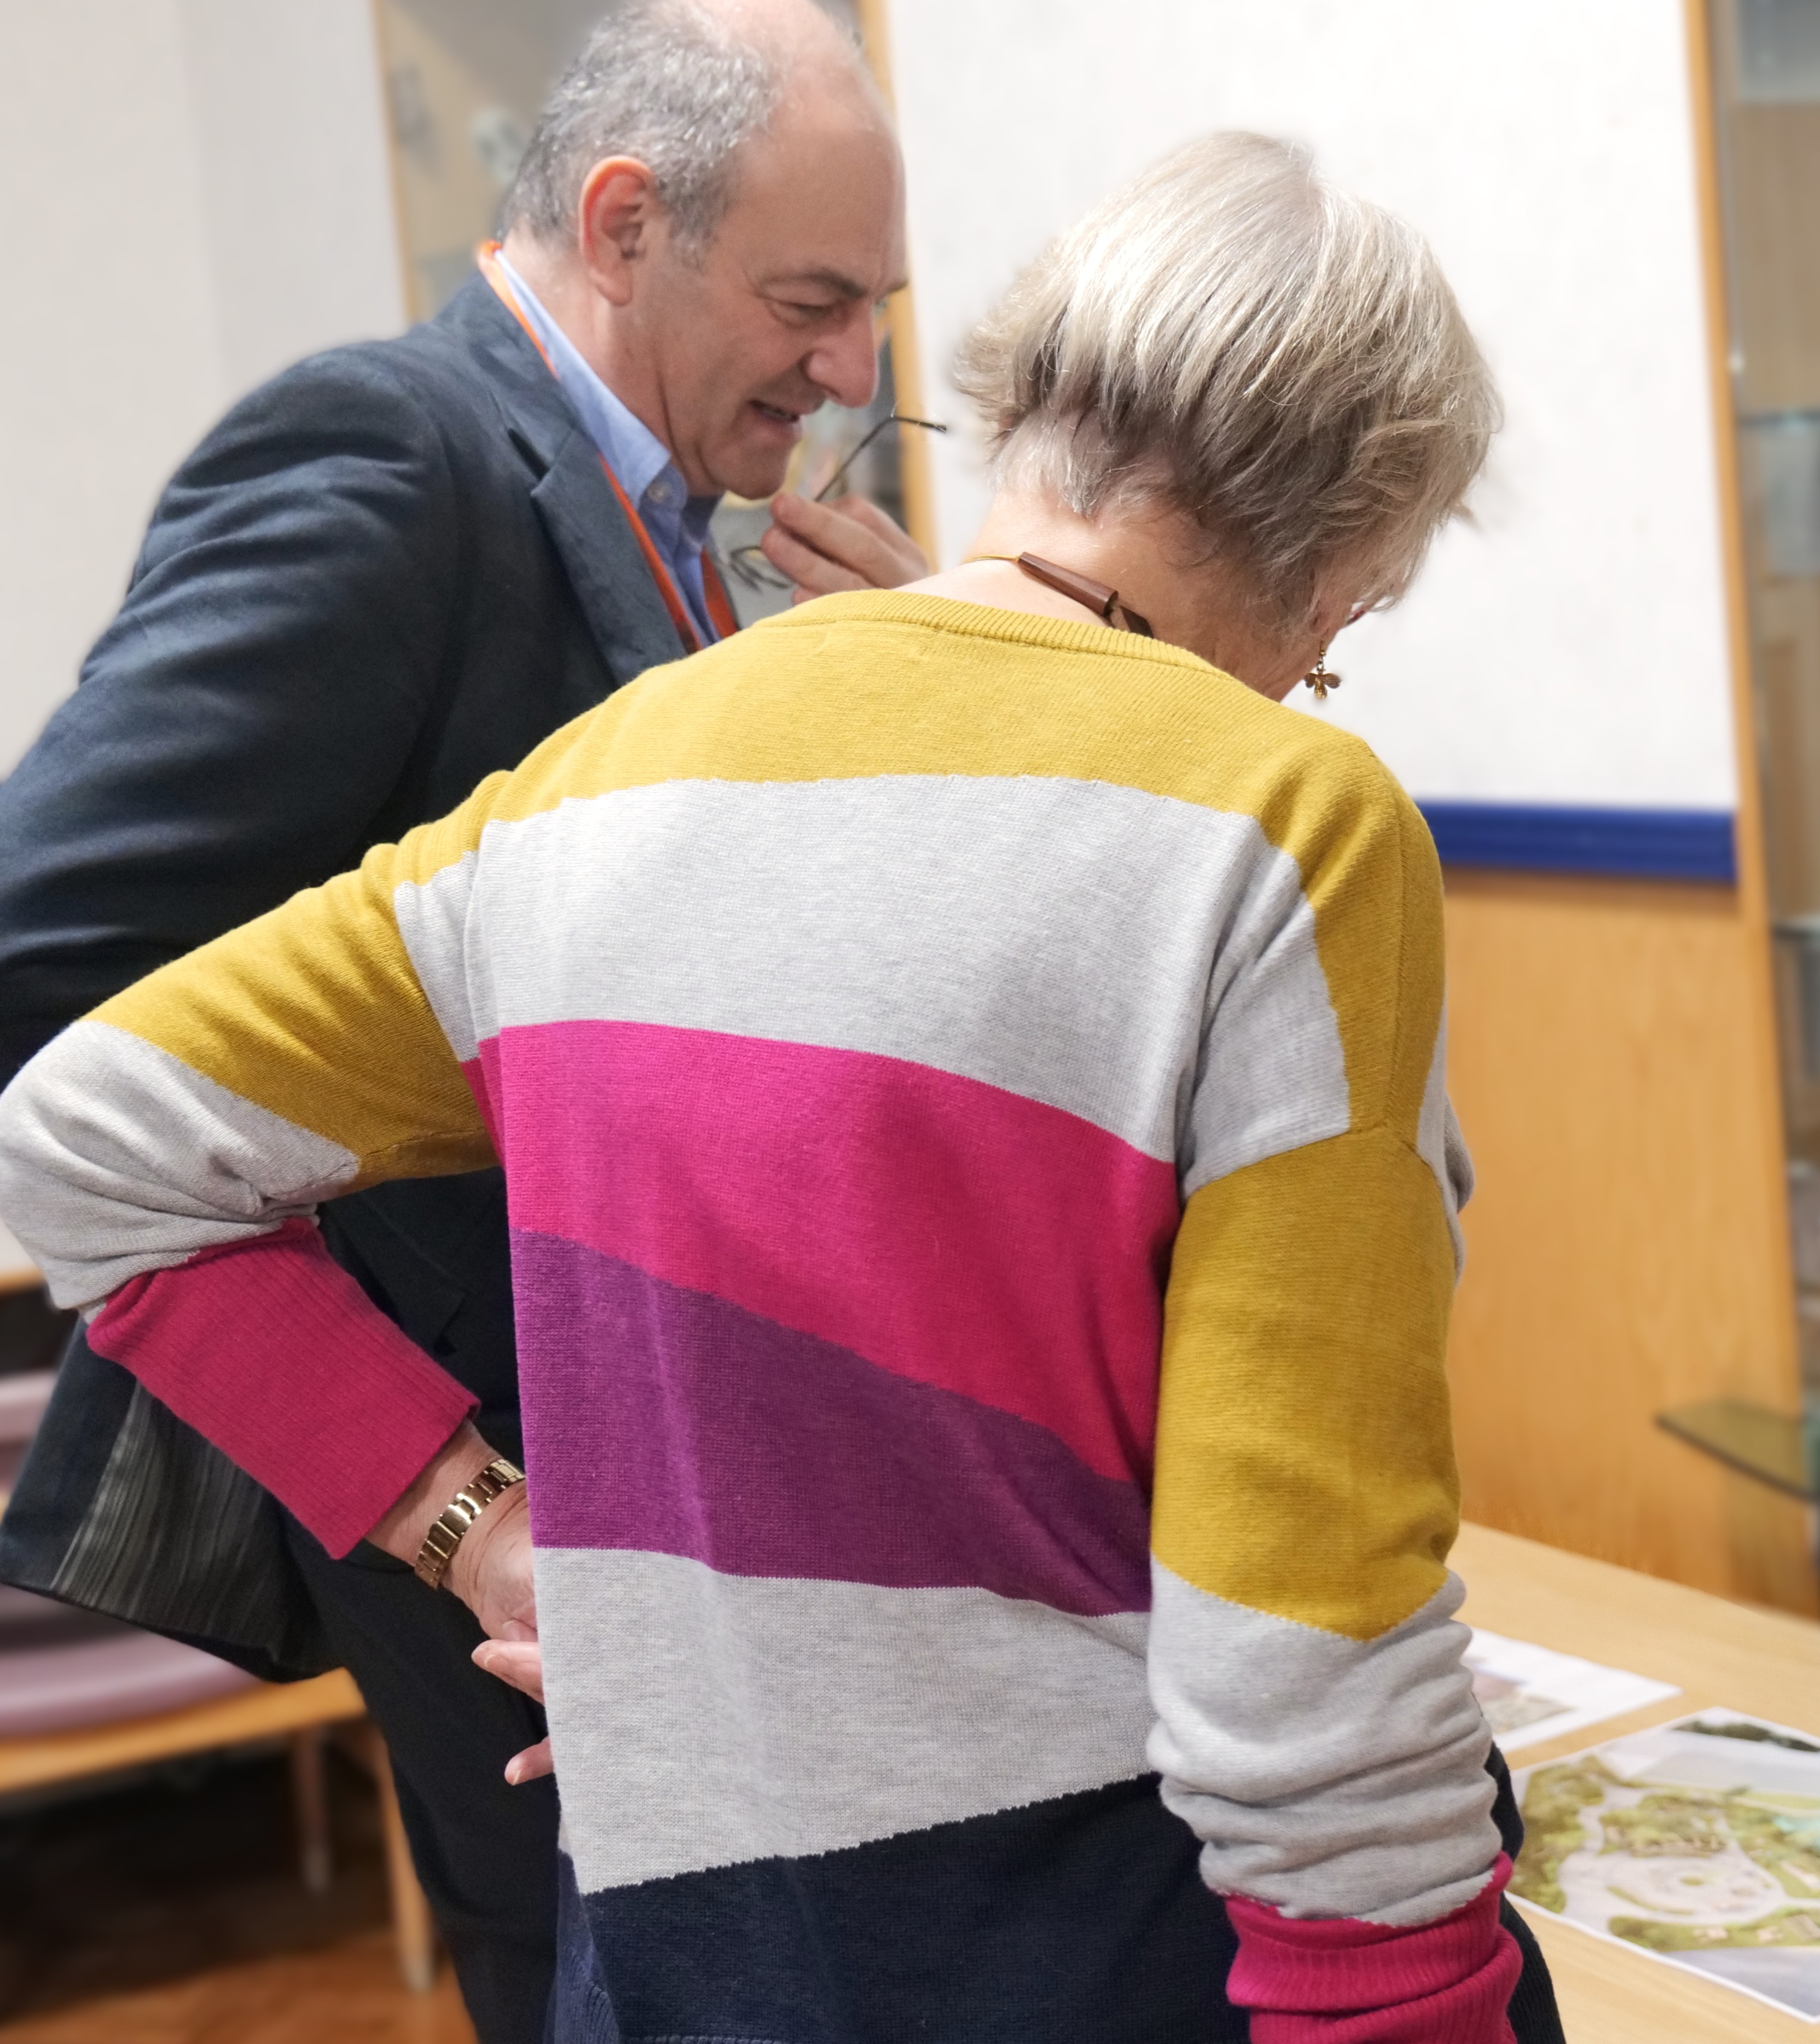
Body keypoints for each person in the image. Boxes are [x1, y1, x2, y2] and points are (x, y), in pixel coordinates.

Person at [0, 129, 1564, 2044]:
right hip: (1088, 1928)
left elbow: (81, 1140)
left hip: (670, 1937)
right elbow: (1302, 1644)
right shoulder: (1283, 822)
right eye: (1348, 628)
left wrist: (470, 1523)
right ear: (1335, 537)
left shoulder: (602, 774)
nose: (1318, 666)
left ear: (1037, 410)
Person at [0, 0, 919, 2034]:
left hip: (664, 1462)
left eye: (874, 306)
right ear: (619, 225)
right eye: (808, 299)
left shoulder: (698, 531)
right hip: (489, 1485)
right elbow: (36, 949)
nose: (851, 367)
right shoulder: (386, 461)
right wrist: (443, 1492)